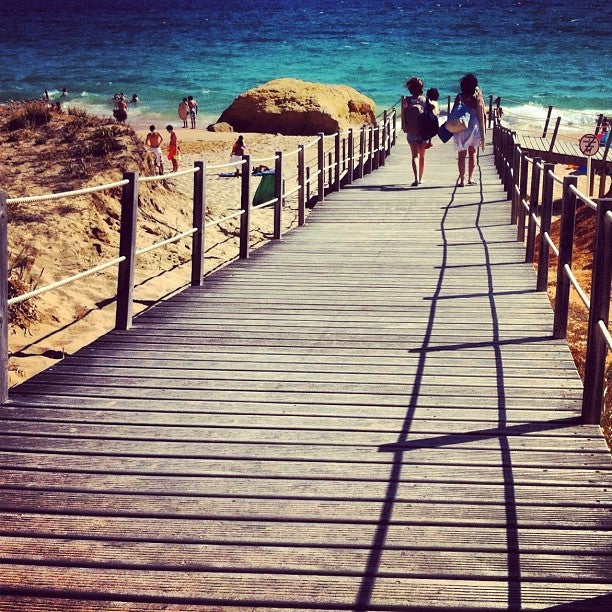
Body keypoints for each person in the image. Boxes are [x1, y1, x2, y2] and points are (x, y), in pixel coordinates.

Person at [451, 72, 487, 187]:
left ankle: (461, 180)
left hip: (462, 127)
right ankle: (470, 178)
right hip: (474, 128)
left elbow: (454, 112)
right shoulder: (478, 98)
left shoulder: (459, 96)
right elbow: (483, 115)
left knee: (461, 155)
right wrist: (484, 133)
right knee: (473, 153)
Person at [401, 76, 428, 186]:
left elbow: (403, 115)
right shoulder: (424, 100)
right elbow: (428, 116)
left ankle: (416, 179)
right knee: (422, 156)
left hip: (411, 131)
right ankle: (421, 178)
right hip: (423, 132)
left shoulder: (406, 100)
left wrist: (404, 127)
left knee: (414, 156)